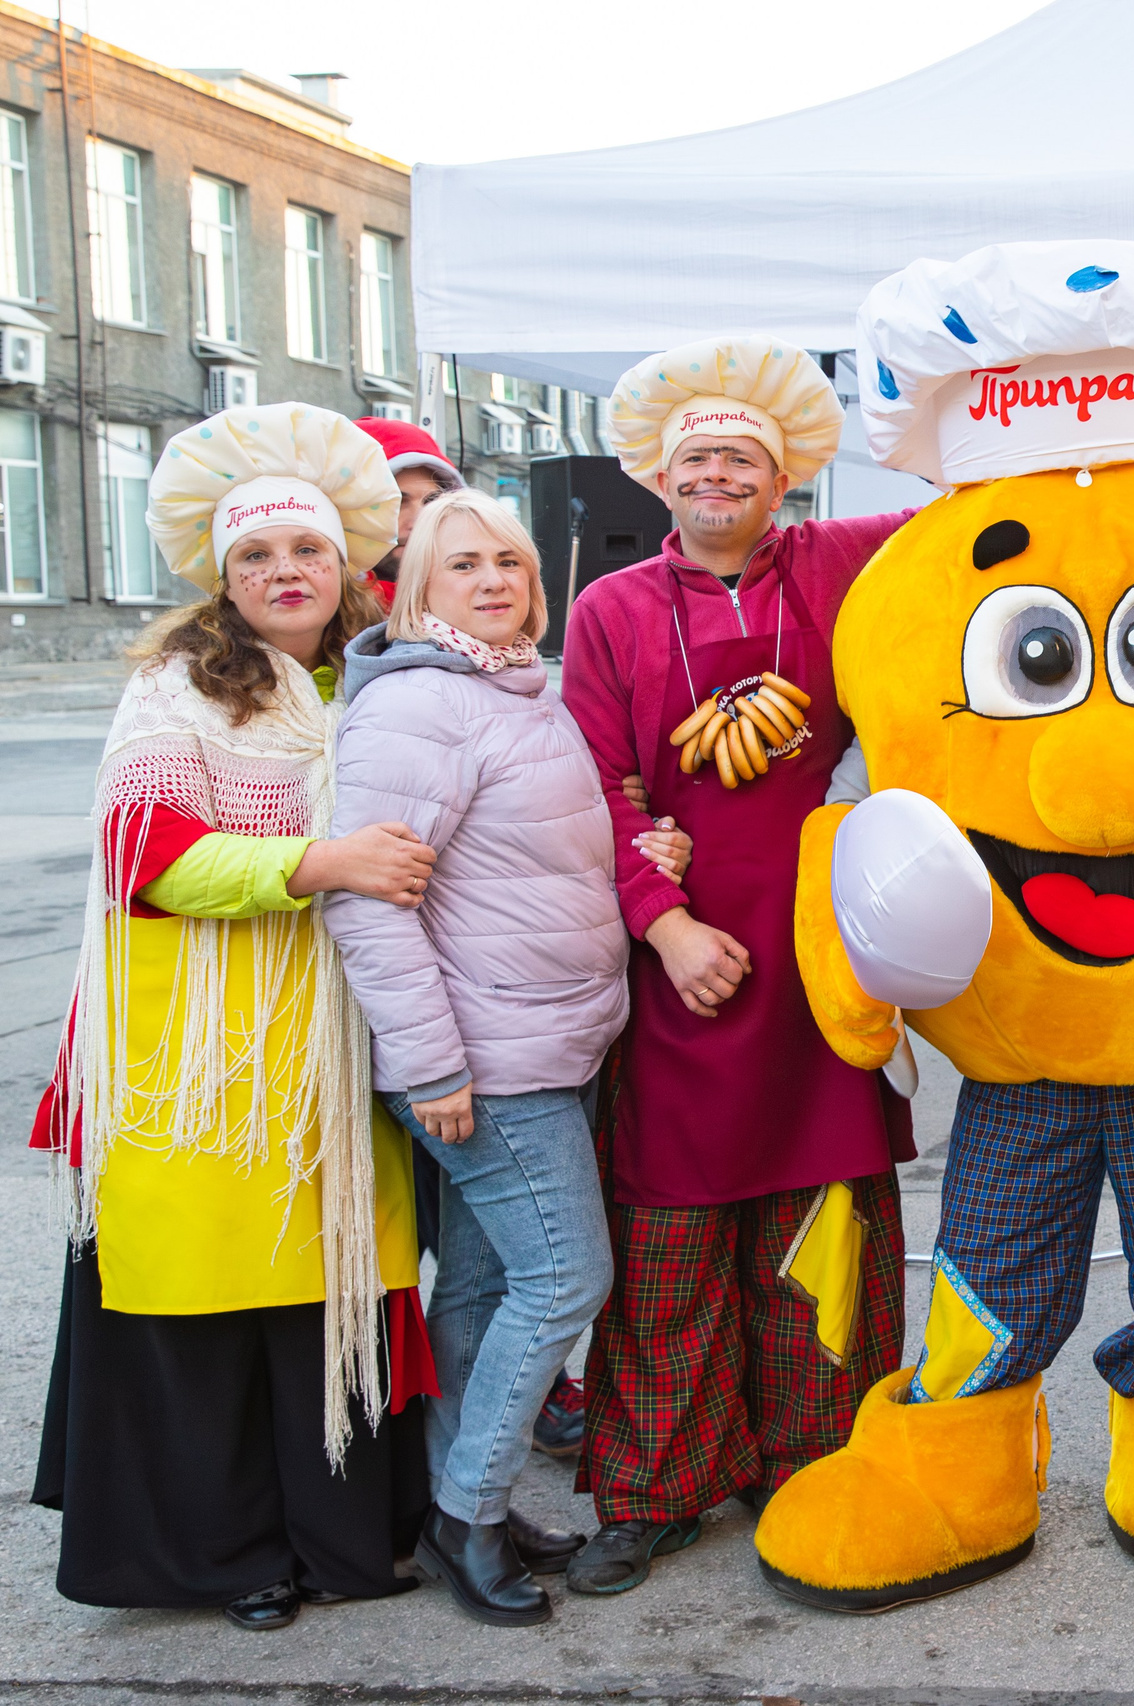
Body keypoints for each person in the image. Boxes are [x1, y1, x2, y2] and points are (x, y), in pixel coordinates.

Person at [30, 404, 438, 1630]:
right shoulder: (175, 692)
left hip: (335, 1038)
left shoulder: (377, 681)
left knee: (328, 1288)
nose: (283, 574)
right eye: (256, 558)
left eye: (305, 552)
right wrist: (314, 862)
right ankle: (221, 1553)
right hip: (189, 1052)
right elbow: (141, 852)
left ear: (345, 566)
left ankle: (344, 1533)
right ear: (225, 577)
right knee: (204, 1300)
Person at [558, 335, 916, 1595]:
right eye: (697, 456)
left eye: (743, 457)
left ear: (785, 479)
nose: (717, 473)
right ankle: (655, 1486)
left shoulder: (838, 564)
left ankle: (815, 1457)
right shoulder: (606, 609)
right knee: (668, 1234)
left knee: (823, 1218)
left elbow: (973, 510)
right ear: (662, 475)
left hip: (820, 953)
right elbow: (588, 784)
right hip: (680, 959)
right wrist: (662, 921)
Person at [326, 489, 686, 1625]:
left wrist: (646, 845)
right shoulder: (417, 709)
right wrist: (430, 1066)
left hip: (552, 1038)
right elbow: (371, 906)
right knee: (567, 1277)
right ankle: (466, 1510)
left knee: (483, 1287)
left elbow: (535, 852)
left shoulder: (519, 688)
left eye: (512, 563)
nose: (493, 581)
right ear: (419, 586)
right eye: (463, 564)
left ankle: (456, 1493)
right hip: (485, 1057)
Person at [355, 416, 465, 599]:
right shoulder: (312, 619)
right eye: (396, 503)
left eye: (432, 501)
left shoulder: (476, 605)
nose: (420, 521)